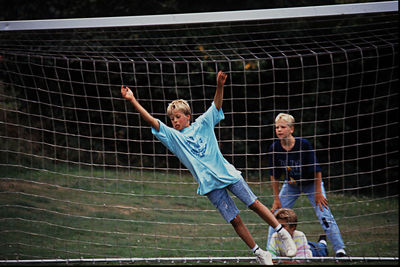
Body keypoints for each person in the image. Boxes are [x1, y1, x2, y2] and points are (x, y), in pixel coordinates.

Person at [121, 71, 297, 265]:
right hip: (210, 185)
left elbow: (217, 105)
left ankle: (282, 233)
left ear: (188, 116)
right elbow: (152, 121)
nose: (174, 121)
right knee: (235, 220)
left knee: (253, 203)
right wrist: (132, 100)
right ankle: (259, 252)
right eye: (172, 119)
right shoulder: (173, 138)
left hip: (228, 174)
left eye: (177, 117)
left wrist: (220, 85)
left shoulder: (203, 123)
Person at [266, 113, 347, 257]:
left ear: (291, 129)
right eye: (277, 127)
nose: (279, 130)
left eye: (283, 127)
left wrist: (318, 193)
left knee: (324, 214)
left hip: (311, 184)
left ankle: (340, 250)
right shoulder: (274, 148)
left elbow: (317, 170)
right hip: (291, 184)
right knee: (274, 216)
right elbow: (274, 175)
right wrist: (276, 198)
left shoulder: (303, 144)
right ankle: (270, 253)